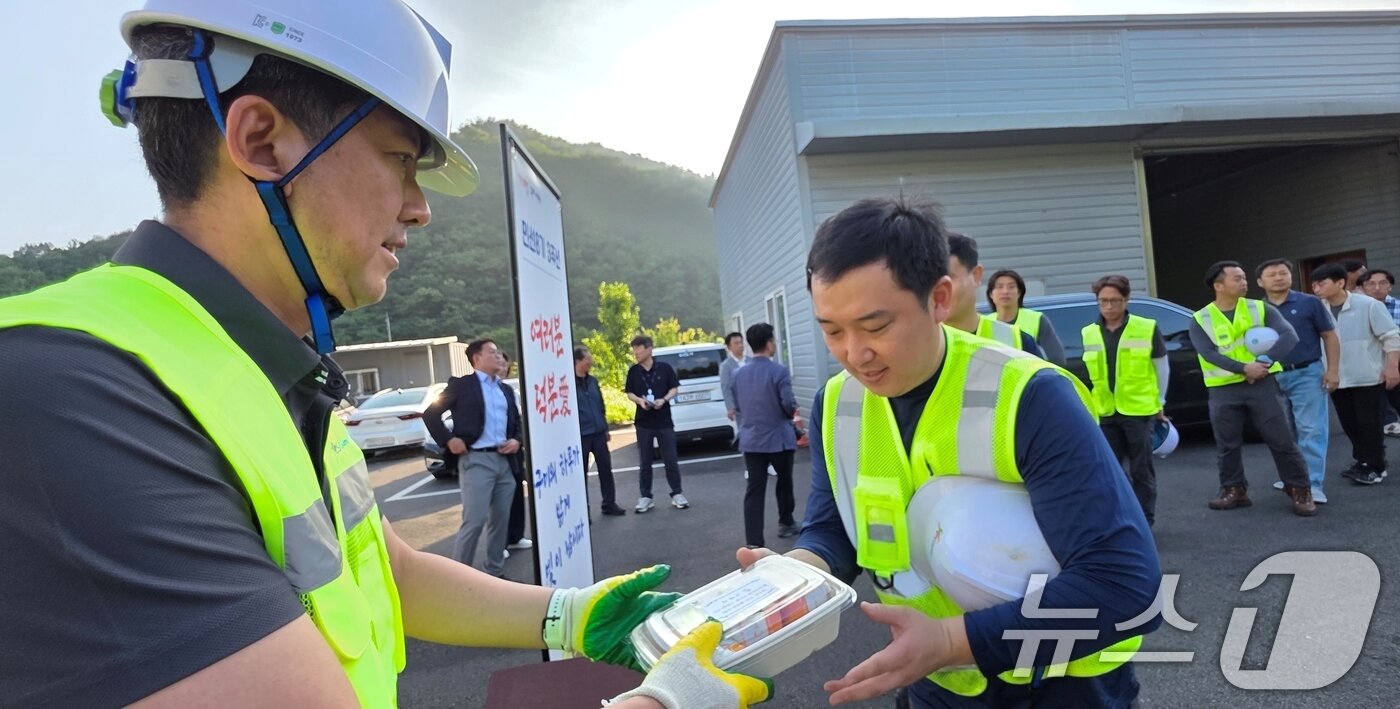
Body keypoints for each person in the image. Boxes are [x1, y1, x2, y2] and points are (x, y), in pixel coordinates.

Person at [0, 2, 763, 705]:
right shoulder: (71, 386)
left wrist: (571, 614)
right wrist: (663, 701)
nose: (420, 207)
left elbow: (387, 568)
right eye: (400, 159)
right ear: (261, 141)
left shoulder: (266, 367)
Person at [740, 196, 1160, 708]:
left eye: (875, 327)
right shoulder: (838, 403)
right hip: (938, 683)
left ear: (939, 298)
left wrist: (948, 642)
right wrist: (793, 576)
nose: (855, 353)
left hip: (1062, 684)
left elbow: (1124, 585)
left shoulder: (1028, 395)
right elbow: (834, 530)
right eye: (831, 330)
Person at [1189, 261, 1315, 515]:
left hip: (1263, 384)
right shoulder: (1200, 318)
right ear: (1218, 285)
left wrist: (1263, 363)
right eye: (1237, 278)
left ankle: (1300, 489)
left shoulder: (1260, 308)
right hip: (1223, 388)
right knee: (1227, 443)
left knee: (1281, 439)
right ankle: (1233, 490)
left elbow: (1289, 336)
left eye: (1244, 277)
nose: (1244, 282)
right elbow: (1207, 353)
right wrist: (1244, 368)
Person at [1081, 275, 1170, 526]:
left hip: (1138, 410)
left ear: (1126, 299)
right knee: (1110, 470)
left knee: (1141, 469)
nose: (1109, 307)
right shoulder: (1089, 332)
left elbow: (1161, 368)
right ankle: (1120, 518)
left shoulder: (1146, 327)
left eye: (1115, 301)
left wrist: (1159, 402)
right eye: (1103, 301)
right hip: (1105, 411)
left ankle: (1144, 520)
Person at [1256, 258, 1341, 503]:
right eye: (1272, 274)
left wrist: (1333, 370)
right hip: (1271, 376)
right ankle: (1293, 477)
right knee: (1283, 432)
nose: (1279, 277)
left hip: (1307, 372)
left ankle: (1312, 485)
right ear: (1261, 282)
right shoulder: (1255, 309)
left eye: (1283, 273)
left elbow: (1329, 336)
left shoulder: (1309, 303)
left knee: (1311, 429)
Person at [1310, 263, 1400, 485]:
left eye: (1322, 283)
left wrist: (1392, 367)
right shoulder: (1317, 308)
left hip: (1367, 375)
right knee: (1349, 423)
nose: (1316, 288)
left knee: (1369, 423)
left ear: (1340, 283)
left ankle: (1376, 467)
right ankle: (1363, 461)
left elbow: (1391, 336)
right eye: (1314, 284)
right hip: (1335, 376)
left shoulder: (1368, 305)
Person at [731, 322, 800, 548]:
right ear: (769, 344)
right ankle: (786, 521)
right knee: (784, 481)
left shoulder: (738, 374)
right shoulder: (779, 371)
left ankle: (754, 541)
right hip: (779, 437)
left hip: (751, 439)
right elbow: (788, 404)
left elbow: (739, 406)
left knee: (754, 489)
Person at [944, 233, 1043, 357]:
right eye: (928, 279)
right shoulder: (916, 345)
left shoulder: (1016, 343)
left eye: (948, 278)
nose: (937, 290)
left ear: (976, 275)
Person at [625, 334, 689, 511]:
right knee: (645, 461)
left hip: (664, 421)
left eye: (638, 348)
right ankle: (646, 497)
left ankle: (677, 493)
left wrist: (664, 399)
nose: (636, 352)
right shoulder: (633, 371)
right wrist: (640, 401)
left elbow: (674, 388)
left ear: (649, 348)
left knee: (670, 459)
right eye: (634, 349)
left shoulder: (664, 368)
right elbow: (629, 392)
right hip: (643, 422)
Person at [576, 345, 626, 516]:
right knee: (580, 474)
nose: (591, 361)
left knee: (605, 468)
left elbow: (601, 405)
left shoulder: (593, 381)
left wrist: (605, 427)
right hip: (581, 435)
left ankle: (609, 503)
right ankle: (583, 510)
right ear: (578, 361)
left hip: (598, 433)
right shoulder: (567, 384)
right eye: (587, 358)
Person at [987, 268, 1067, 366]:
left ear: (1019, 293)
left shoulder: (1036, 319)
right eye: (999, 287)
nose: (1005, 291)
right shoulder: (984, 322)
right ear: (991, 294)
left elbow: (1057, 360)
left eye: (1011, 287)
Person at [497, 351, 532, 553]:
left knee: (518, 494)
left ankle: (516, 536)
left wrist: (518, 441)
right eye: (499, 364)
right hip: (495, 453)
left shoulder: (510, 391)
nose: (502, 369)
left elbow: (519, 421)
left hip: (514, 451)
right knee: (499, 502)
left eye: (505, 366)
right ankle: (499, 545)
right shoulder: (480, 391)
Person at [1361, 268, 1400, 436]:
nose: (1377, 288)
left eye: (1382, 283)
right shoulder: (1359, 310)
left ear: (1390, 286)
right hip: (1370, 362)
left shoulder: (1398, 306)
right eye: (1371, 284)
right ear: (1363, 287)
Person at [720, 330, 746, 424]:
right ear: (729, 347)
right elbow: (725, 387)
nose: (740, 345)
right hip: (739, 406)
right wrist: (730, 407)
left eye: (741, 342)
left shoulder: (751, 361)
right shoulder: (726, 366)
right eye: (736, 343)